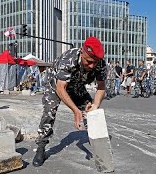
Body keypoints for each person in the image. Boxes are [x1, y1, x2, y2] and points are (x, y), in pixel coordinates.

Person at [32, 37, 106, 167]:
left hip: (76, 85)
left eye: (95, 62)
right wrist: (76, 111)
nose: (92, 66)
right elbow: (61, 89)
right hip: (55, 84)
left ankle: (99, 149)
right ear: (82, 52)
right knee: (49, 112)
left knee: (92, 112)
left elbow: (101, 87)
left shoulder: (100, 64)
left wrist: (95, 105)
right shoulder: (68, 59)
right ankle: (41, 148)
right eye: (89, 62)